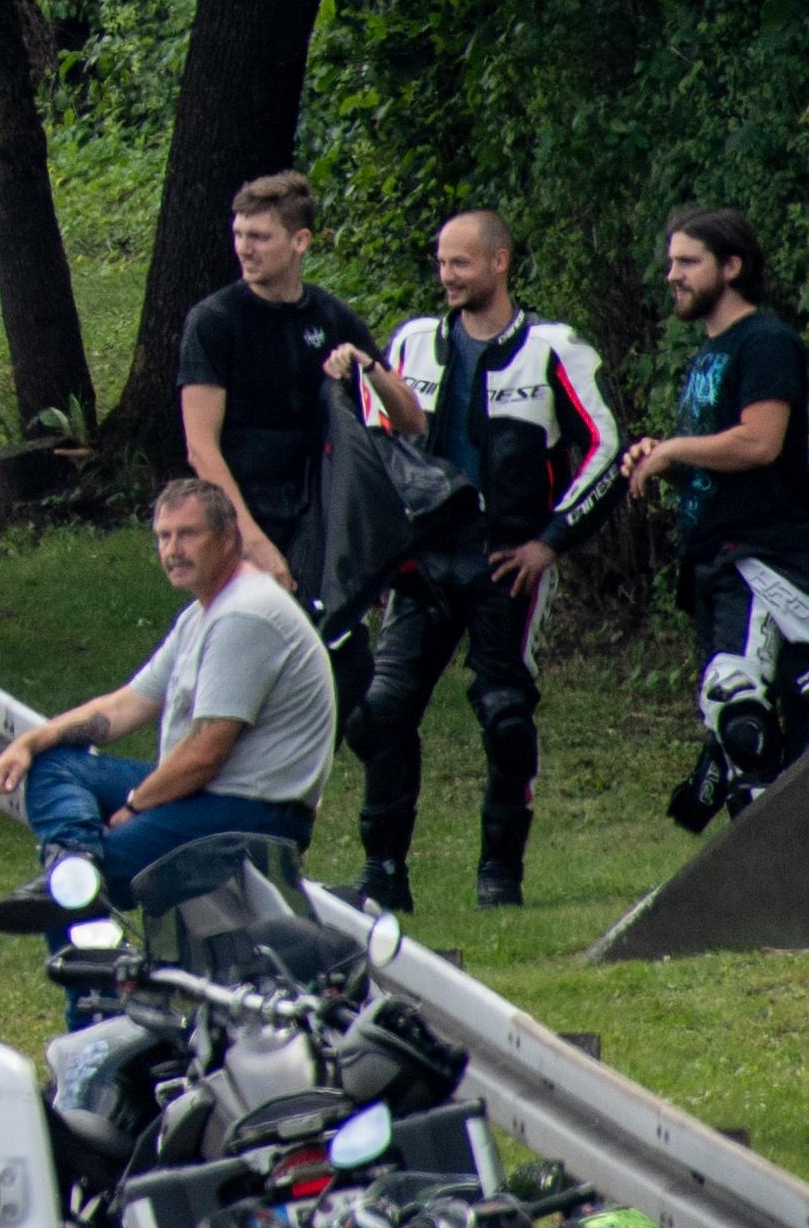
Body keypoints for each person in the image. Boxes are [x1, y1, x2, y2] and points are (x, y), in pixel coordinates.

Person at [342, 209, 615, 909]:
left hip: (507, 558)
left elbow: (606, 449)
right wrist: (377, 556)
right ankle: (383, 872)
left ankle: (500, 873)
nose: (447, 275)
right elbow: (378, 452)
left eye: (460, 262)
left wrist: (550, 540)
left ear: (499, 261)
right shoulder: (411, 342)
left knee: (506, 714)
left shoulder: (555, 347)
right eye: (440, 262)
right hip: (424, 557)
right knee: (380, 708)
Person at [0, 476, 334, 883]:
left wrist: (136, 807)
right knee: (56, 765)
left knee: (79, 885)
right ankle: (72, 857)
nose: (173, 551)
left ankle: (74, 878)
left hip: (251, 812)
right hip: (205, 798)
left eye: (188, 535)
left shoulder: (246, 613)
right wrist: (29, 742)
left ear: (227, 538)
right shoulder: (201, 615)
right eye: (163, 537)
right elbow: (121, 709)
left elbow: (206, 753)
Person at [627, 208, 805, 833]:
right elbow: (720, 456)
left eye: (687, 262)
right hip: (713, 561)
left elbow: (760, 443)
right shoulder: (708, 354)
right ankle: (764, 878)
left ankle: (770, 889)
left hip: (762, 557)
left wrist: (676, 449)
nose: (671, 275)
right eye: (671, 261)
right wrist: (665, 459)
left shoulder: (765, 342)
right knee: (731, 718)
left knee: (741, 710)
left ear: (731, 267)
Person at [176, 170, 377, 584]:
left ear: (300, 241)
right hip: (241, 518)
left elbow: (409, 419)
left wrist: (369, 365)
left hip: (316, 515)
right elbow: (200, 448)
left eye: (259, 237)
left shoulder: (331, 316)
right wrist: (252, 541)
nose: (244, 250)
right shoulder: (213, 322)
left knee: (331, 644)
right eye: (238, 235)